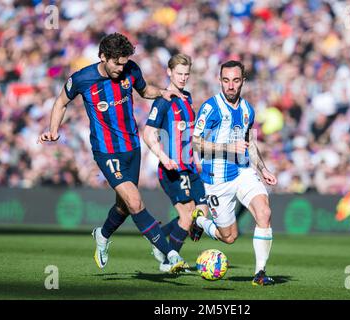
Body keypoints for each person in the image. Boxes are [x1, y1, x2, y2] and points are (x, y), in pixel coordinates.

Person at [38, 33, 189, 273]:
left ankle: (102, 234)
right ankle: (169, 254)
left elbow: (144, 90)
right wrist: (53, 130)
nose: (121, 67)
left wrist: (161, 92)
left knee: (123, 205)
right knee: (135, 201)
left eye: (124, 62)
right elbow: (60, 102)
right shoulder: (82, 78)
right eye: (117, 62)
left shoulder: (131, 69)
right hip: (106, 151)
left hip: (132, 147)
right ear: (103, 57)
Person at [191, 60, 277, 286]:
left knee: (264, 213)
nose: (230, 86)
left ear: (243, 82)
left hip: (243, 172)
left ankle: (259, 273)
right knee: (229, 237)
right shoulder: (211, 108)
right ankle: (200, 221)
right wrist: (227, 148)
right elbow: (196, 144)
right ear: (220, 81)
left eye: (235, 81)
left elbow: (250, 143)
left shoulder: (248, 109)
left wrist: (263, 168)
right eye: (226, 80)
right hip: (217, 180)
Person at [143, 53, 207, 272]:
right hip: (172, 168)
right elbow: (148, 133)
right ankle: (168, 260)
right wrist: (163, 157)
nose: (182, 78)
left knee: (201, 215)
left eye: (186, 74)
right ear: (169, 72)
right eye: (179, 73)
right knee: (187, 216)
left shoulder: (187, 98)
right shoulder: (163, 100)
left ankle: (159, 239)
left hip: (191, 167)